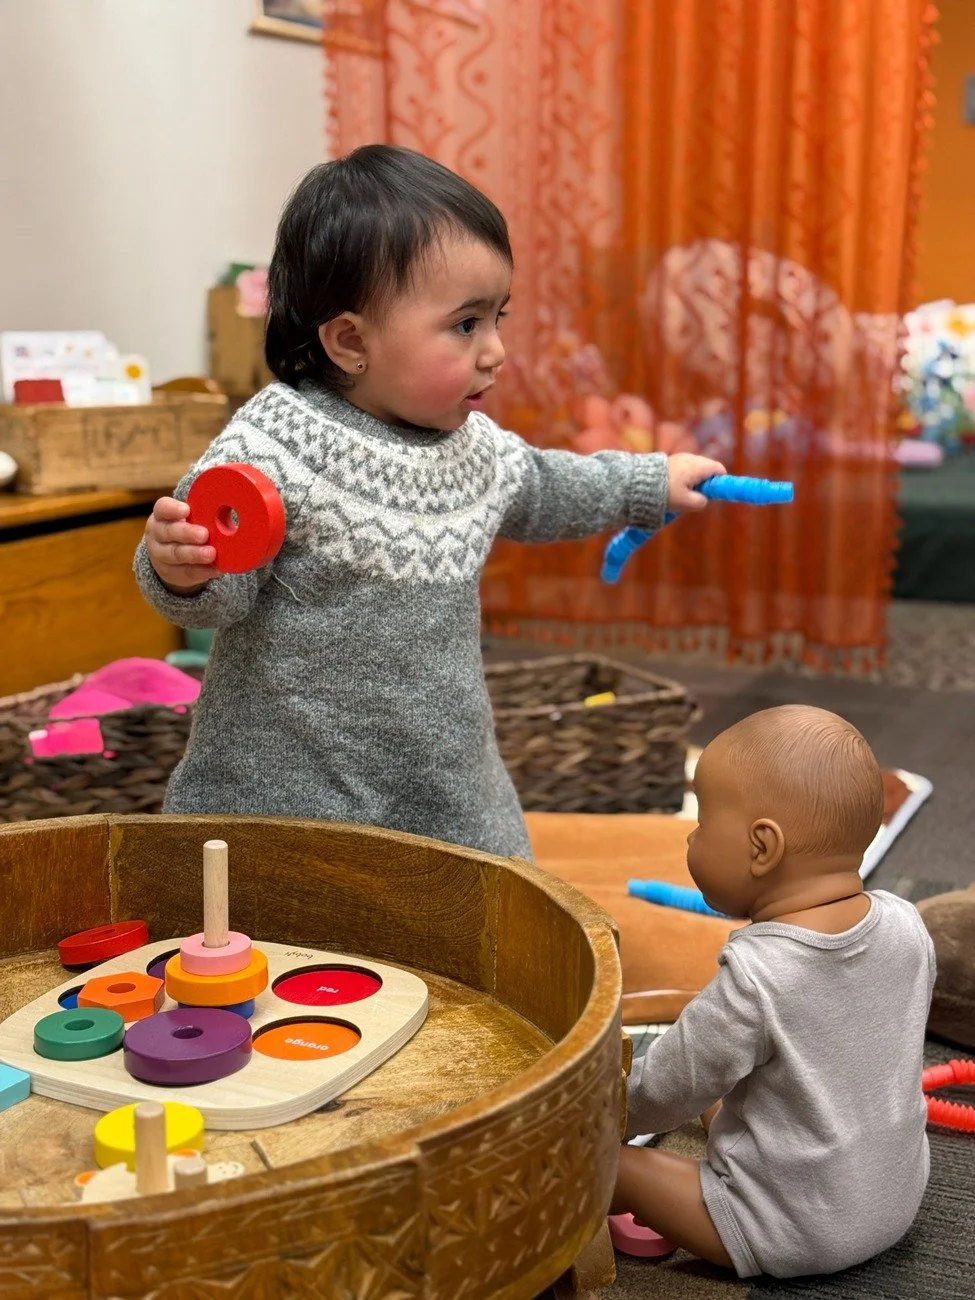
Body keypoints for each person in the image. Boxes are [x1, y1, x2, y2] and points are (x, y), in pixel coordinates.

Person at [134, 144, 723, 857]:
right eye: (465, 324)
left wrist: (642, 483)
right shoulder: (273, 442)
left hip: (444, 769)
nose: (496, 350)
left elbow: (545, 486)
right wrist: (178, 569)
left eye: (498, 317)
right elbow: (219, 589)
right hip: (289, 777)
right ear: (351, 341)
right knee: (287, 921)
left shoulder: (473, 447)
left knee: (489, 902)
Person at [614, 705, 935, 1278]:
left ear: (762, 848)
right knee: (736, 1089)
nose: (692, 836)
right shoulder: (908, 925)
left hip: (789, 1231)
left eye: (703, 823)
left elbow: (664, 1093)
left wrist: (601, 1109)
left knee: (602, 1160)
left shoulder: (757, 976)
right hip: (895, 1199)